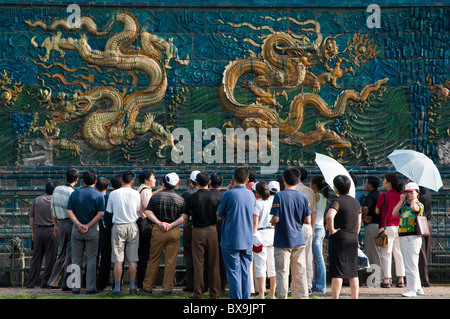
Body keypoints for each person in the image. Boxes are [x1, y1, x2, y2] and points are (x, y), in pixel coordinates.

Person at [270, 168, 311, 299]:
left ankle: (282, 296)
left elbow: (276, 218)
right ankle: (302, 296)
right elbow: (307, 220)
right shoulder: (303, 197)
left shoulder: (279, 196)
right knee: (299, 272)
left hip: (282, 239)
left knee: (282, 272)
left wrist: (272, 221)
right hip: (298, 239)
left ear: (283, 179)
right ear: (298, 181)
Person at [142, 172, 185, 294]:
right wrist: (171, 225)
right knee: (171, 262)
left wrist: (160, 223)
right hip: (173, 231)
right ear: (176, 185)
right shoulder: (180, 199)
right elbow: (183, 217)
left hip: (158, 230)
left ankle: (148, 286)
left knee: (153, 259)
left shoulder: (155, 197)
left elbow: (148, 212)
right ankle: (167, 289)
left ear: (163, 183)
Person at [218, 167, 256, 299]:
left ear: (233, 178)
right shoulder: (251, 195)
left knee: (234, 272)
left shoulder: (228, 194)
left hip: (231, 239)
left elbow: (219, 214)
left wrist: (228, 190)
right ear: (247, 180)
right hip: (246, 239)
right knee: (245, 272)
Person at [182, 172, 222, 299]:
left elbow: (184, 217)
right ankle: (215, 292)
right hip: (212, 231)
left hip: (197, 231)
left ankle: (198, 293)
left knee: (198, 264)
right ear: (209, 182)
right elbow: (220, 216)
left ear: (197, 182)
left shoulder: (191, 198)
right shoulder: (215, 197)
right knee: (213, 264)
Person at [67, 170, 105, 294]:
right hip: (92, 230)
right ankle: (90, 287)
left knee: (76, 258)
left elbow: (69, 211)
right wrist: (88, 225)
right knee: (91, 259)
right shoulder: (99, 195)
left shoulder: (75, 193)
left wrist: (78, 224)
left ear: (82, 180)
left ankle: (75, 287)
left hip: (77, 229)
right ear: (95, 182)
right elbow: (101, 213)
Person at [326, 175, 362, 299]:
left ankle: (335, 297)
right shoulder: (356, 202)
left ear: (336, 188)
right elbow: (358, 222)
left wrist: (331, 230)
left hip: (339, 239)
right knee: (353, 272)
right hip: (352, 238)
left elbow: (330, 216)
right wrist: (355, 235)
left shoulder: (337, 201)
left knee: (337, 272)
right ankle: (355, 297)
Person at [106, 170, 141, 295]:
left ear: (121, 179)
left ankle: (117, 287)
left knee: (118, 259)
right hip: (132, 226)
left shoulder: (114, 194)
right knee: (132, 259)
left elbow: (109, 211)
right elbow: (138, 210)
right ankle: (132, 287)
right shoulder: (136, 193)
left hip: (118, 226)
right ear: (132, 182)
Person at [48, 168, 79, 290]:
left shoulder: (56, 190)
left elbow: (52, 209)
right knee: (71, 253)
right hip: (70, 223)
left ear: (65, 177)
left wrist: (56, 225)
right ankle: (68, 284)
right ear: (76, 180)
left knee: (62, 253)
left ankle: (52, 281)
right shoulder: (73, 193)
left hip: (60, 223)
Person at [392, 182, 425, 297]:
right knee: (411, 263)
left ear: (417, 192)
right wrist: (401, 200)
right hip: (403, 236)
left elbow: (415, 208)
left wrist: (413, 200)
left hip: (412, 236)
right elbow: (394, 212)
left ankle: (412, 289)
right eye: (407, 192)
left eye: (411, 192)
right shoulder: (404, 206)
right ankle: (418, 287)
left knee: (410, 264)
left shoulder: (418, 204)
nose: (409, 194)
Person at [375, 173, 405, 288]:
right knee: (399, 253)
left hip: (387, 226)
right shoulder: (401, 195)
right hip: (399, 226)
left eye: (384, 180)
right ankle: (401, 279)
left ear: (389, 183)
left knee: (386, 254)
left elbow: (377, 211)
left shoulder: (383, 195)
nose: (383, 182)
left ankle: (387, 279)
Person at [26, 182, 58, 288]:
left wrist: (33, 232)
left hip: (39, 230)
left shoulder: (37, 200)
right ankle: (46, 282)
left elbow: (32, 218)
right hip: (51, 230)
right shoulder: (55, 201)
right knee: (50, 258)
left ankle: (31, 282)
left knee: (36, 258)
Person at [252, 180, 277, 299]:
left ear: (257, 191)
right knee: (272, 266)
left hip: (260, 235)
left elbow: (255, 224)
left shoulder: (257, 204)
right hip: (272, 234)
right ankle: (271, 293)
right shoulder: (273, 202)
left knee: (260, 265)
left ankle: (261, 294)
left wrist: (253, 234)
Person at [97, 175, 120, 291]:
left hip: (107, 228)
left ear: (111, 186)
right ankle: (117, 284)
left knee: (105, 257)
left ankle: (101, 284)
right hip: (120, 226)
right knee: (119, 257)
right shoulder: (124, 196)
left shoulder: (106, 197)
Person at [136, 170, 158, 289]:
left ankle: (143, 281)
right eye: (153, 178)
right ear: (146, 180)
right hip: (145, 224)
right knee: (145, 254)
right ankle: (144, 282)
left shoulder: (144, 189)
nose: (155, 180)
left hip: (142, 223)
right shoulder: (145, 191)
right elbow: (149, 209)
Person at [295, 167, 315, 291]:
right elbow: (313, 212)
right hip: (307, 226)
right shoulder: (309, 191)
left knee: (294, 257)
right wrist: (312, 229)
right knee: (308, 256)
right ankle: (308, 285)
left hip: (295, 226)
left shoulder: (292, 190)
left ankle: (296, 284)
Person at [180, 170, 200, 292]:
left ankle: (190, 282)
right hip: (202, 226)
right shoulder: (206, 193)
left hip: (189, 225)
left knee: (188, 255)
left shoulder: (186, 194)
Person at [309, 175, 329, 294]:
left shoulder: (316, 195)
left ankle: (320, 286)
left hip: (316, 228)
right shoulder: (323, 196)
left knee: (318, 258)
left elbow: (313, 212)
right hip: (320, 228)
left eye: (311, 183)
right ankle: (317, 284)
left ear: (314, 185)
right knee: (318, 258)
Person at [362, 176, 382, 284]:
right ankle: (382, 276)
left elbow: (365, 208)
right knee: (380, 252)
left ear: (370, 185)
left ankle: (376, 278)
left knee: (372, 252)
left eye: (366, 182)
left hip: (372, 225)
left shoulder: (370, 196)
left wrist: (363, 217)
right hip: (382, 225)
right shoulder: (381, 195)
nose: (365, 185)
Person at [210, 173, 227, 291]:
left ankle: (209, 284)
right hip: (221, 229)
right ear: (221, 184)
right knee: (222, 258)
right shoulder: (224, 196)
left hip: (208, 228)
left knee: (208, 257)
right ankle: (221, 285)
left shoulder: (206, 195)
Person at [418, 185, 432, 287]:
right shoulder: (426, 191)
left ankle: (424, 279)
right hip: (427, 222)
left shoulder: (420, 195)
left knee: (421, 253)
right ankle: (424, 279)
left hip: (421, 223)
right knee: (424, 252)